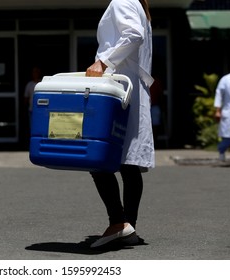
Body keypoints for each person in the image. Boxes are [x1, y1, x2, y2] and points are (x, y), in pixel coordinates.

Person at [85, 0, 154, 248]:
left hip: (119, 89)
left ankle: (118, 222)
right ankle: (128, 226)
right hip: (130, 89)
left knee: (98, 155)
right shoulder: (138, 4)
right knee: (128, 162)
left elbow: (132, 35)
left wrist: (103, 62)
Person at [214, 59, 230, 166]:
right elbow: (219, 94)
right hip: (229, 113)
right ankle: (221, 149)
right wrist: (218, 110)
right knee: (228, 138)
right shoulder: (225, 80)